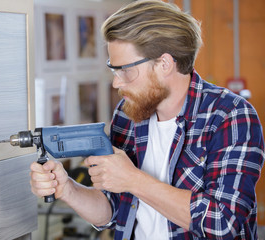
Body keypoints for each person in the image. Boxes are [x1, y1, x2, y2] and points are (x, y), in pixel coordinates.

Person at [30, 0, 265, 239]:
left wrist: (133, 180)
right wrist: (67, 188)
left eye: (125, 70)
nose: (116, 83)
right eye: (114, 70)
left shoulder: (230, 115)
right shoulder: (128, 113)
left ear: (164, 64)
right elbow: (113, 212)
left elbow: (223, 223)